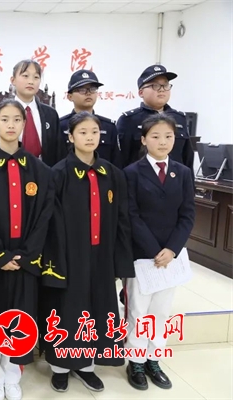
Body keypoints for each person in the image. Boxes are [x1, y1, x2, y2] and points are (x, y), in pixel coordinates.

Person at [0, 100, 58, 400]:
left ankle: (13, 374)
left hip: (26, 260)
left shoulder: (40, 170)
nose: (11, 125)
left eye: (17, 119)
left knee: (21, 316)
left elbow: (44, 216)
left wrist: (26, 254)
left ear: (24, 124)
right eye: (4, 119)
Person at [40, 112, 134, 393]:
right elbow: (50, 222)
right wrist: (56, 260)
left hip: (102, 255)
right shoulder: (57, 173)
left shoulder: (112, 174)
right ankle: (60, 367)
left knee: (97, 308)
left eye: (94, 132)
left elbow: (122, 220)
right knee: (66, 309)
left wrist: (120, 262)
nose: (90, 137)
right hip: (69, 256)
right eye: (82, 132)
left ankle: (86, 365)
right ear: (70, 137)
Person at [123, 114, 195, 391]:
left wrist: (172, 249)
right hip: (143, 255)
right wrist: (155, 250)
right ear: (143, 140)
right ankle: (135, 361)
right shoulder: (132, 172)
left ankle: (154, 359)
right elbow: (131, 215)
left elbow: (187, 214)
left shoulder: (183, 172)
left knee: (161, 312)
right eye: (155, 136)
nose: (162, 141)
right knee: (138, 311)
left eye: (168, 136)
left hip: (170, 258)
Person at [0, 59, 61, 167]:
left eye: (36, 77)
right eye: (25, 76)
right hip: (7, 171)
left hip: (43, 171)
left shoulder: (50, 114)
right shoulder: (0, 111)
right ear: (13, 80)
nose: (31, 81)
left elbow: (59, 152)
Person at [117, 65, 193, 170]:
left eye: (165, 85)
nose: (162, 90)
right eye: (155, 86)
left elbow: (187, 157)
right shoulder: (129, 120)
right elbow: (121, 159)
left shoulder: (179, 118)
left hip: (175, 177)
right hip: (140, 177)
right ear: (141, 92)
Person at [59, 70, 121, 167]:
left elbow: (117, 162)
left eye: (93, 89)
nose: (88, 93)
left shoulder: (109, 126)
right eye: (82, 90)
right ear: (70, 96)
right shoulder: (60, 125)